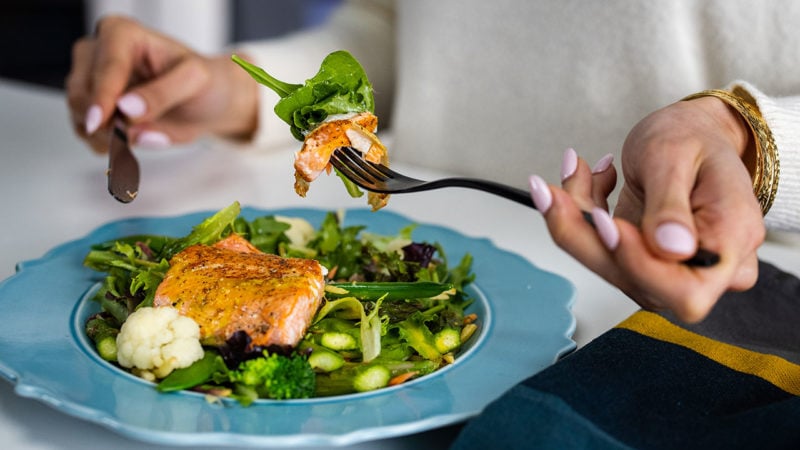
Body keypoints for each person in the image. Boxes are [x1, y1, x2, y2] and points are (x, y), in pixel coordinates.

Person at [66, 1, 800, 447]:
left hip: (702, 332)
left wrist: (746, 139)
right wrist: (246, 88)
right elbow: (396, 24)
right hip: (433, 252)